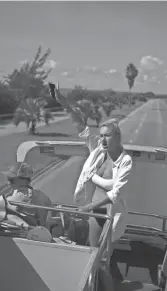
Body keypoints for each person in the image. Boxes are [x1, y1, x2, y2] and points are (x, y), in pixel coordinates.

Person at [50, 82, 132, 291]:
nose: (103, 139)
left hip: (111, 215)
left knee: (103, 259)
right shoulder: (96, 150)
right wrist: (63, 102)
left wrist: (86, 209)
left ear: (117, 137)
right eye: (102, 135)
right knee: (92, 253)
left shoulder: (125, 161)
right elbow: (79, 124)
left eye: (108, 136)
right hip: (94, 212)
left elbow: (115, 193)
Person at [2, 162, 54, 228]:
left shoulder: (16, 197)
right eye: (8, 179)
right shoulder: (42, 195)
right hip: (41, 232)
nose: (8, 183)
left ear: (24, 180)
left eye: (11, 180)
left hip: (22, 234)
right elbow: (53, 213)